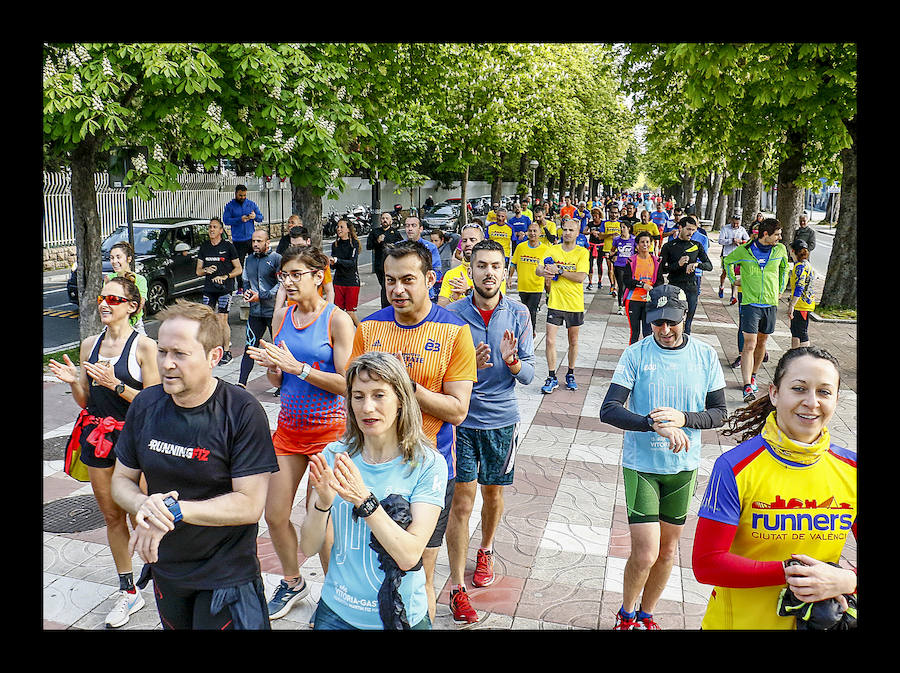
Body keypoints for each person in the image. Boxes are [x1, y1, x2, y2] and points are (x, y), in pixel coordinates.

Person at [110, 300, 278, 630]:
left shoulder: (241, 411)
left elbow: (249, 505)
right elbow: (121, 480)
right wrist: (145, 504)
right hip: (167, 567)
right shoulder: (146, 404)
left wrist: (174, 510)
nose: (167, 364)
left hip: (226, 574)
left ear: (214, 357)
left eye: (180, 354)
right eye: (162, 351)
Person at [349, 241, 477, 624]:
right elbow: (356, 399)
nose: (397, 289)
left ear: (430, 279)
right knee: (365, 562)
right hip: (371, 466)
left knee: (417, 571)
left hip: (426, 469)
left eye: (407, 280)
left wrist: (408, 387)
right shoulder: (370, 329)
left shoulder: (455, 332)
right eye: (390, 281)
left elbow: (458, 410)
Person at [693, 347, 856, 630]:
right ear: (774, 393)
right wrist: (792, 572)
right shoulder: (734, 467)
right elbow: (707, 564)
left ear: (837, 400)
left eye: (824, 392)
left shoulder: (851, 470)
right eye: (799, 388)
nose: (811, 402)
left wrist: (848, 580)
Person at [600, 284, 727, 630]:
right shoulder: (636, 354)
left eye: (672, 322)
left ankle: (647, 614)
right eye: (657, 323)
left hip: (683, 469)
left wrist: (684, 419)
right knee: (645, 554)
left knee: (668, 552)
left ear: (685, 316)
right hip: (642, 467)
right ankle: (626, 615)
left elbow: (719, 413)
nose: (665, 330)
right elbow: (609, 410)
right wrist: (650, 424)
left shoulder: (704, 355)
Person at [298, 352, 448, 630]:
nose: (367, 408)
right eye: (358, 396)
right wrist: (322, 505)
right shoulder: (335, 455)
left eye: (379, 395)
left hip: (399, 616)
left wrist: (364, 500)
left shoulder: (427, 463)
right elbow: (307, 546)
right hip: (336, 613)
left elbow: (409, 555)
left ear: (401, 400)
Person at [246, 245, 355, 622]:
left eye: (295, 275)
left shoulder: (337, 320)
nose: (288, 282)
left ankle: (333, 596)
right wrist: (273, 367)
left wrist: (299, 367)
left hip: (328, 433)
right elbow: (279, 376)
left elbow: (347, 383)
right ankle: (292, 581)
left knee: (319, 522)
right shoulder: (284, 316)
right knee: (273, 514)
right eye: (284, 276)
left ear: (318, 275)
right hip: (289, 430)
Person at [48, 275, 160, 628]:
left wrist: (118, 385)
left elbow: (155, 403)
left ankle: (165, 575)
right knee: (113, 516)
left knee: (148, 515)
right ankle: (128, 591)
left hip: (137, 440)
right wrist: (75, 384)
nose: (104, 304)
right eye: (102, 297)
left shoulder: (145, 347)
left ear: (132, 305)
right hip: (98, 437)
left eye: (114, 299)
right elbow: (86, 400)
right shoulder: (88, 345)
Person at [444, 239, 535, 626]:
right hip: (461, 420)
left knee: (493, 494)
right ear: (470, 269)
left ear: (506, 271)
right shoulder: (450, 314)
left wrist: (512, 361)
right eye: (481, 265)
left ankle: (486, 549)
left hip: (502, 420)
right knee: (461, 502)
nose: (488, 273)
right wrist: (468, 367)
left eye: (496, 266)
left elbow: (530, 375)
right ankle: (457, 589)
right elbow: (438, 374)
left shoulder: (518, 314)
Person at [723, 218, 789, 403]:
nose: (780, 237)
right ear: (765, 234)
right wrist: (733, 279)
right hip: (750, 303)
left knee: (762, 342)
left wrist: (780, 288)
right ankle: (746, 385)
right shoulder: (744, 251)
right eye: (777, 234)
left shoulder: (780, 250)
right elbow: (727, 261)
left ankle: (753, 375)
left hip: (770, 303)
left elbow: (784, 268)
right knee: (749, 344)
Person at [536, 218, 589, 393]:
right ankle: (551, 376)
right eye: (564, 229)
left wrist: (559, 271)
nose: (567, 233)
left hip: (574, 304)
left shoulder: (582, 253)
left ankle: (570, 373)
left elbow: (581, 277)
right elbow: (538, 268)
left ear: (577, 233)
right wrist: (543, 271)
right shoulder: (552, 249)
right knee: (550, 340)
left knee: (573, 341)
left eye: (571, 230)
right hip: (555, 302)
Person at [237, 228, 281, 389]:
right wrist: (247, 293)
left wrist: (262, 296)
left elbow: (281, 285)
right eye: (253, 241)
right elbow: (245, 280)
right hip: (255, 312)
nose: (255, 244)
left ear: (267, 242)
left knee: (278, 349)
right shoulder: (249, 259)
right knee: (249, 347)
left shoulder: (276, 259)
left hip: (273, 312)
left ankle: (282, 385)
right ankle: (241, 383)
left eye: (259, 241)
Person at [195, 217, 242, 365]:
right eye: (210, 227)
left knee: (222, 320)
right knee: (206, 319)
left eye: (215, 227)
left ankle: (226, 351)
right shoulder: (204, 247)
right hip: (209, 288)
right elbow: (198, 272)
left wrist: (225, 276)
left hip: (224, 288)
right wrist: (206, 270)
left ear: (221, 230)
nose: (211, 229)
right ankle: (209, 349)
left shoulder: (228, 247)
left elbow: (239, 269)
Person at [658, 218, 713, 335]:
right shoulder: (669, 246)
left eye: (693, 230)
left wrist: (697, 264)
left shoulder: (696, 245)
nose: (691, 233)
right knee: (674, 320)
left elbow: (709, 266)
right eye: (688, 229)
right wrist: (678, 264)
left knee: (688, 323)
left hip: (691, 286)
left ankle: (686, 342)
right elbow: (661, 269)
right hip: (675, 286)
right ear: (680, 228)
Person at [438, 224, 507, 307]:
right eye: (464, 240)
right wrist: (454, 298)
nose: (468, 243)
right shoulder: (451, 274)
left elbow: (496, 304)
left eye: (472, 240)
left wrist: (468, 291)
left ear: (482, 241)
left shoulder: (493, 272)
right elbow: (441, 308)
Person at [273, 227, 335, 307]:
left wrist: (328, 313)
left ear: (308, 241)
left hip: (314, 310)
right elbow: (282, 289)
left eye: (300, 245)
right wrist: (277, 312)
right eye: (293, 246)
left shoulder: (320, 261)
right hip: (293, 310)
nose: (297, 249)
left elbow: (329, 290)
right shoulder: (288, 261)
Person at [621, 231, 663, 345]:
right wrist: (642, 285)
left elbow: (660, 280)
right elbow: (627, 280)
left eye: (647, 242)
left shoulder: (656, 261)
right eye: (642, 242)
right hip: (633, 299)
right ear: (637, 245)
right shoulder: (631, 261)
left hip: (649, 301)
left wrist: (653, 289)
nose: (645, 244)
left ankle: (646, 355)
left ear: (651, 244)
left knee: (648, 332)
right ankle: (632, 357)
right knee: (635, 332)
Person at [510, 221, 550, 338]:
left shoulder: (545, 249)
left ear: (540, 233)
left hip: (536, 286)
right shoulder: (520, 247)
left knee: (531, 310)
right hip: (523, 285)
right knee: (524, 309)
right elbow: (513, 263)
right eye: (530, 231)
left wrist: (548, 284)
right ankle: (526, 331)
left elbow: (548, 267)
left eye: (535, 231)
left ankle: (530, 333)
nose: (532, 233)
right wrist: (510, 277)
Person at [222, 184, 263, 293]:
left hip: (251, 239)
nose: (243, 197)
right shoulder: (230, 206)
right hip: (238, 240)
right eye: (240, 195)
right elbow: (226, 220)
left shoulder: (251, 204)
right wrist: (239, 219)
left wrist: (255, 217)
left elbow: (261, 217)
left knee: (254, 263)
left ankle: (255, 284)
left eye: (244, 195)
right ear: (236, 194)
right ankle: (240, 287)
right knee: (238, 264)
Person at [107, 241, 148, 334]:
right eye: (112, 258)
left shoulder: (140, 280)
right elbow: (107, 305)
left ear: (129, 259)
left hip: (135, 325)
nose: (114, 261)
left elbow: (139, 307)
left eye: (118, 257)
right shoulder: (109, 279)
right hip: (113, 325)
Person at [368, 211, 404, 308]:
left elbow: (402, 246)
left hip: (392, 265)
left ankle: (388, 305)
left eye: (387, 218)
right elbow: (368, 246)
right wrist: (377, 241)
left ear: (391, 221)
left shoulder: (395, 233)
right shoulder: (375, 232)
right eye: (383, 218)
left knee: (386, 287)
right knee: (384, 285)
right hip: (379, 264)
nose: (385, 220)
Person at [331, 219, 362, 327]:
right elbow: (333, 266)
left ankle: (361, 331)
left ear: (348, 229)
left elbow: (352, 263)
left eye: (341, 227)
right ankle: (341, 333)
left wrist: (337, 260)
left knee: (350, 312)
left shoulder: (354, 244)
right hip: (338, 281)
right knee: (337, 311)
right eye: (337, 227)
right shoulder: (335, 244)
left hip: (351, 281)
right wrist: (331, 262)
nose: (338, 229)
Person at [786, 240, 816, 349]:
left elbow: (799, 287)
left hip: (801, 304)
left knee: (801, 332)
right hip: (804, 303)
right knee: (795, 330)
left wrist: (792, 305)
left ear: (793, 251)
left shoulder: (800, 267)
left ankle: (803, 356)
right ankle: (794, 355)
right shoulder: (806, 264)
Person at [404, 216, 443, 298]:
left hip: (425, 294)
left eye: (413, 225)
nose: (410, 229)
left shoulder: (430, 248)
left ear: (420, 229)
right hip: (404, 293)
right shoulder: (398, 247)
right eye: (407, 226)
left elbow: (437, 272)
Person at [718, 212, 750, 303]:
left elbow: (747, 240)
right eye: (734, 223)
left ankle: (733, 296)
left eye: (737, 223)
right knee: (725, 272)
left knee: (734, 274)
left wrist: (741, 241)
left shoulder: (742, 229)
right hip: (727, 254)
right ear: (731, 221)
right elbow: (720, 241)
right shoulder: (725, 228)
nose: (736, 225)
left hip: (738, 255)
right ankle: (721, 286)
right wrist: (731, 240)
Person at [610, 222, 636, 315]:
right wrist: (613, 256)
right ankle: (620, 306)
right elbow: (612, 251)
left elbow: (638, 251)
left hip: (630, 266)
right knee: (621, 286)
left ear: (629, 228)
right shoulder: (617, 239)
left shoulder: (634, 239)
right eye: (621, 227)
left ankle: (628, 304)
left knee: (630, 285)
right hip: (619, 265)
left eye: (624, 227)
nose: (621, 229)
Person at [599, 204, 622, 297]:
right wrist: (610, 234)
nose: (614, 214)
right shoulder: (604, 223)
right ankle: (612, 284)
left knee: (616, 269)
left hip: (618, 250)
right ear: (609, 213)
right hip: (607, 249)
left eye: (615, 213)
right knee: (610, 269)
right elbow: (600, 236)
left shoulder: (621, 223)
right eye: (612, 212)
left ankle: (615, 287)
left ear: (618, 214)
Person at [586, 207, 605, 291]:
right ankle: (590, 282)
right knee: (590, 263)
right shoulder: (590, 224)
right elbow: (583, 231)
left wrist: (600, 234)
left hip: (601, 245)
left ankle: (599, 281)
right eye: (593, 215)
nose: (594, 217)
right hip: (592, 245)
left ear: (599, 215)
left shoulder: (603, 223)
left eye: (596, 215)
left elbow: (606, 232)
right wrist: (591, 232)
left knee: (599, 264)